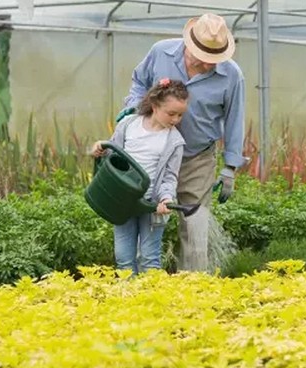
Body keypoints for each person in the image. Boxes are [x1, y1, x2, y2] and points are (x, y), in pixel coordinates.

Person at [116, 13, 246, 272]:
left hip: (196, 160)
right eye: (204, 57)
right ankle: (135, 284)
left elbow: (235, 119)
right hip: (152, 157)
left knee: (195, 230)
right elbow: (140, 81)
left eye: (215, 59)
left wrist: (230, 167)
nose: (209, 64)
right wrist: (133, 109)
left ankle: (192, 290)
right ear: (190, 44)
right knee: (142, 220)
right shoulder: (160, 53)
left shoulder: (232, 75)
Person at [91, 79, 189, 274]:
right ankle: (128, 301)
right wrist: (99, 149)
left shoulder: (174, 141)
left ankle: (150, 300)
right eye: (171, 114)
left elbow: (170, 177)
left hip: (152, 206)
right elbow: (112, 155)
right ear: (154, 106)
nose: (176, 120)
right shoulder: (128, 125)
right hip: (123, 201)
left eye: (180, 115)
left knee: (149, 258)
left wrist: (166, 199)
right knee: (123, 257)